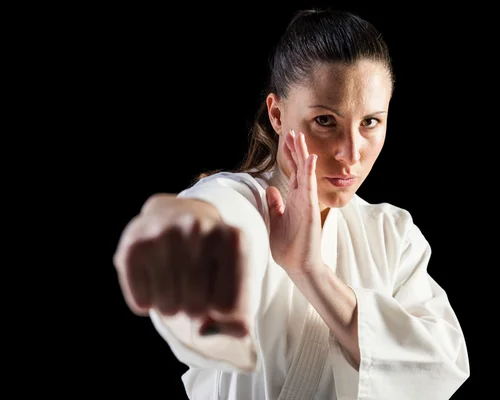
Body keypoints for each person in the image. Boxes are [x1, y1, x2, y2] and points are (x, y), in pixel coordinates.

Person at [113, 8, 470, 400]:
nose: (350, 154)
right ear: (278, 114)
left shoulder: (392, 234)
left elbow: (440, 366)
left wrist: (310, 271)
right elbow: (216, 215)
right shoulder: (245, 201)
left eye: (370, 122)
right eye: (325, 121)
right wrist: (183, 228)